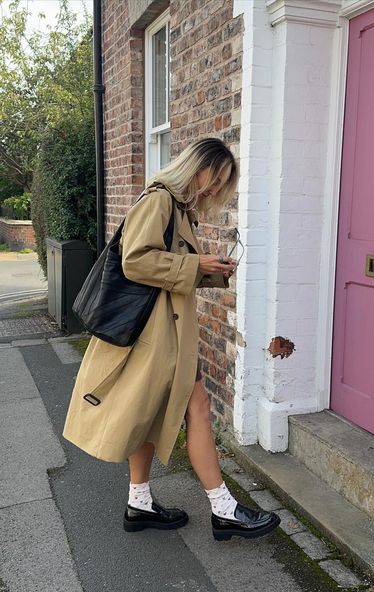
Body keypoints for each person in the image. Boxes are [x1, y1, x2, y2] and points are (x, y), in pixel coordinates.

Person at [62, 137, 280, 541]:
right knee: (196, 406)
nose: (214, 190)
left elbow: (168, 268)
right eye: (213, 178)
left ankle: (140, 502)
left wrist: (211, 270)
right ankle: (223, 509)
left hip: (166, 332)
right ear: (194, 167)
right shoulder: (159, 201)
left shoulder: (180, 210)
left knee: (150, 413)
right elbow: (136, 260)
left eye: (222, 184)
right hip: (154, 335)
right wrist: (196, 262)